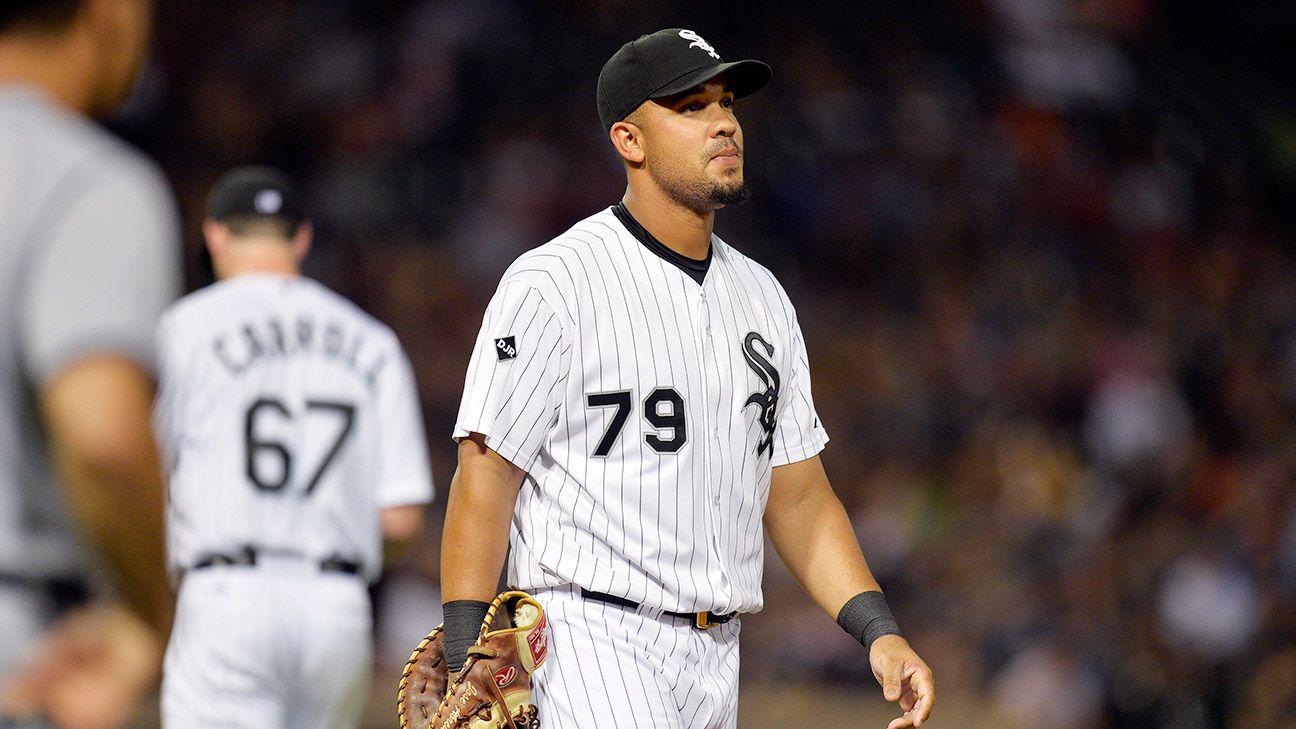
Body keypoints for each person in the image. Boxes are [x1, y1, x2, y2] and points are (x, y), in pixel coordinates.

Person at [441, 27, 935, 729]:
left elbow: (798, 499)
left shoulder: (763, 296)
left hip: (718, 654)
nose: (724, 121)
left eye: (726, 102)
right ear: (629, 140)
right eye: (690, 106)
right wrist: (465, 651)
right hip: (588, 634)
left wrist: (878, 628)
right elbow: (485, 473)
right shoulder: (555, 282)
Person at [153, 166, 435, 729]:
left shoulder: (182, 330)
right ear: (301, 237)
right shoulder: (372, 342)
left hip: (225, 592)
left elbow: (147, 474)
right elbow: (402, 520)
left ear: (214, 236)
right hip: (336, 608)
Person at [0, 0, 179, 726]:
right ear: (110, 13)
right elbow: (103, 437)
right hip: (27, 658)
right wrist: (164, 620)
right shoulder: (88, 182)